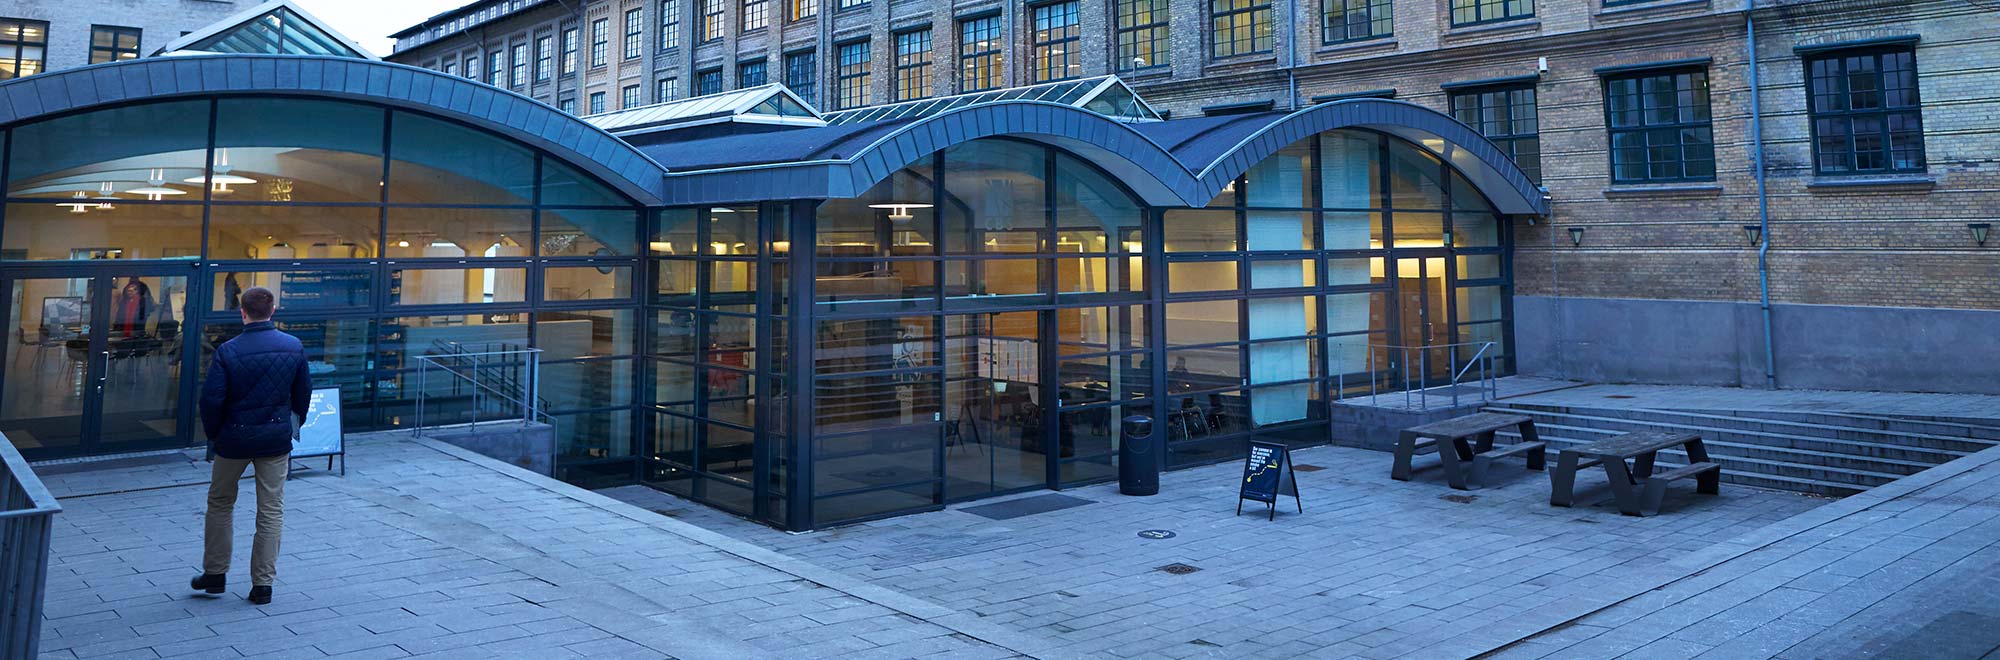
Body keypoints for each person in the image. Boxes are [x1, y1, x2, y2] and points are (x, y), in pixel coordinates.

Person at [191, 287, 311, 605]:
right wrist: (292, 425)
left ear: (242, 312)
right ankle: (262, 585)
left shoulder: (228, 351)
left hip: (233, 439)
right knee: (271, 510)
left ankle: (215, 574)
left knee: (220, 503)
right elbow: (303, 395)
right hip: (275, 440)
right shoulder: (293, 346)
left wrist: (215, 435)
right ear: (272, 311)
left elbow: (212, 399)